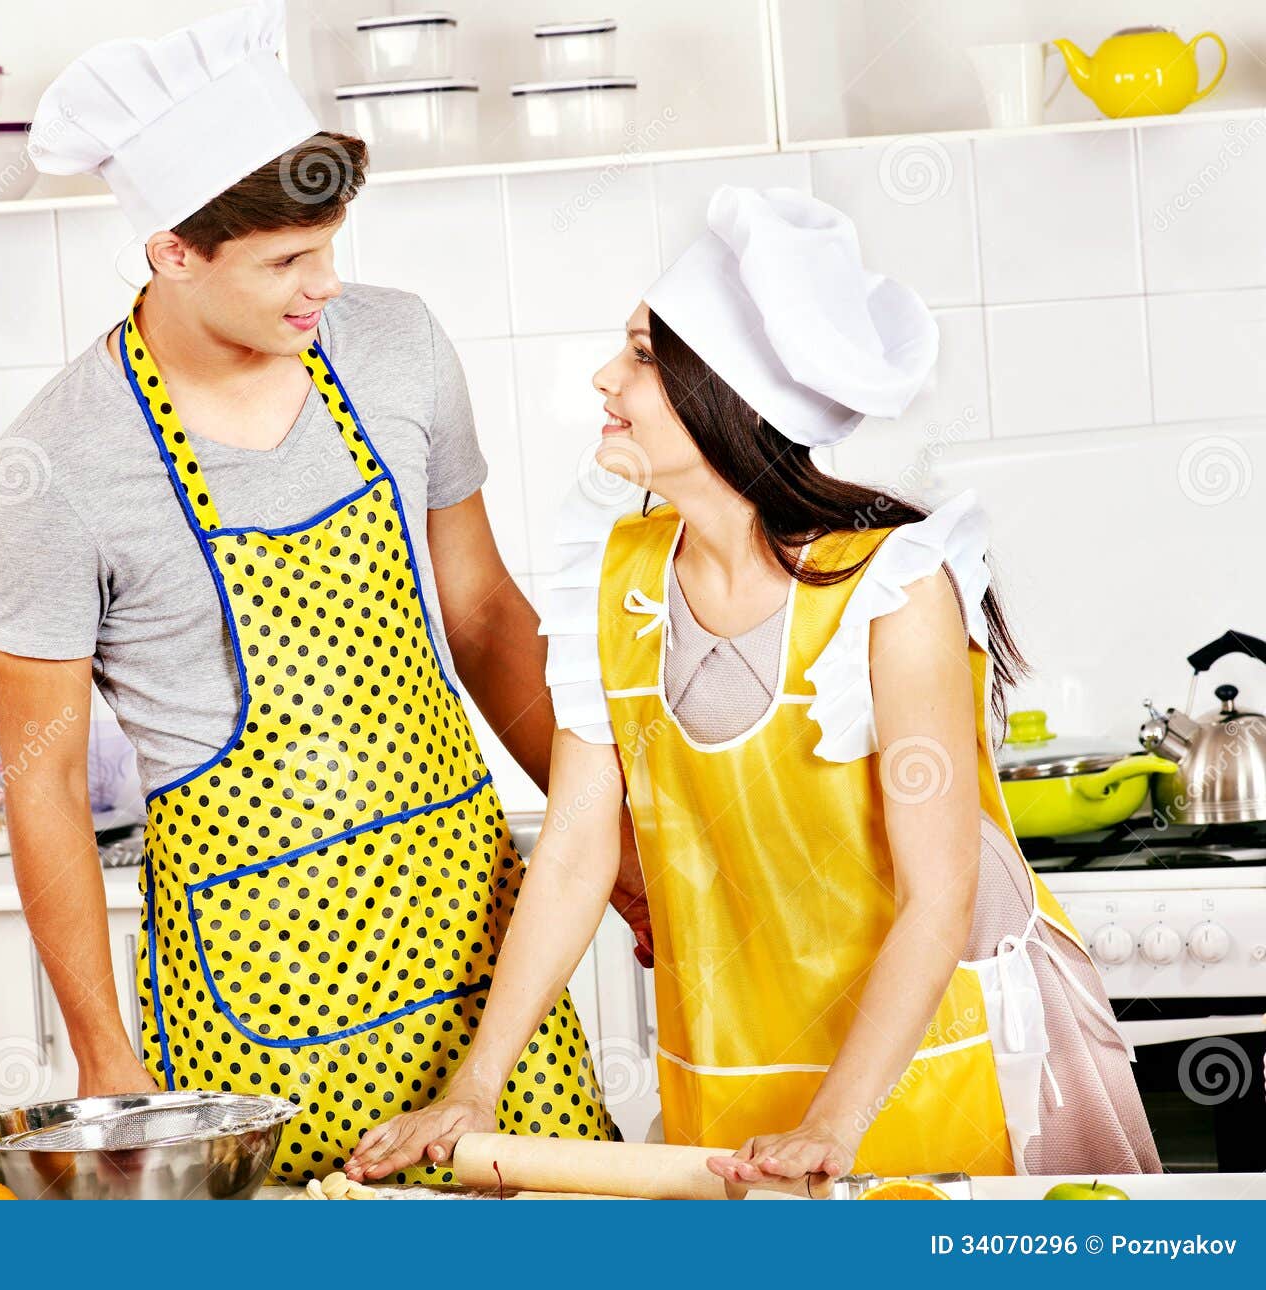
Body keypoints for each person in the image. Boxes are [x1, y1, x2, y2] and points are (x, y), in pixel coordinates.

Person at [346, 186, 1160, 1191]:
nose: (608, 378)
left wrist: (832, 1124)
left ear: (729, 394)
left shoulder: (889, 593)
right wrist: (476, 1085)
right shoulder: (612, 580)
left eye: (643, 356)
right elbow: (572, 849)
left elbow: (936, 895)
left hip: (917, 1064)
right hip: (728, 1066)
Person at [0, 2, 623, 1184]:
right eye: (283, 261)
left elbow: (482, 617)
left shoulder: (399, 348)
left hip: (464, 930)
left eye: (330, 245)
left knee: (561, 1227)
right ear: (171, 250)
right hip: (256, 973)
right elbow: (47, 780)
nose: (323, 284)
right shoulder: (56, 464)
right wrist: (102, 1054)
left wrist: (612, 857)